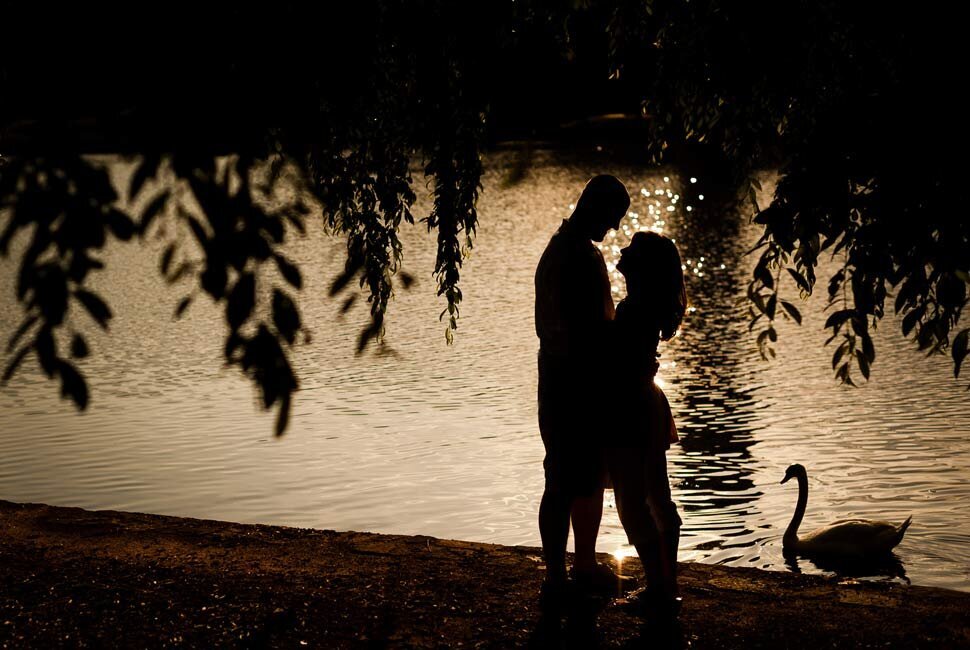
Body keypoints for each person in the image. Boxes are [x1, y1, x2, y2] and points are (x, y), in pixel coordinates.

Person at [534, 174, 632, 597]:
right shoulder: (579, 256)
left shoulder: (560, 249)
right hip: (575, 382)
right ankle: (565, 570)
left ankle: (576, 566)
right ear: (594, 207)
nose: (612, 229)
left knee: (578, 477)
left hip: (558, 378)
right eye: (612, 218)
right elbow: (590, 328)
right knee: (568, 479)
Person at [607, 230, 686, 618]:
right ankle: (666, 582)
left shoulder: (633, 309)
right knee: (658, 495)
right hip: (648, 400)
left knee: (632, 504)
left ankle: (659, 586)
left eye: (632, 249)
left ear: (644, 267)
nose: (623, 250)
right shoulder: (647, 305)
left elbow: (617, 360)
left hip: (631, 406)